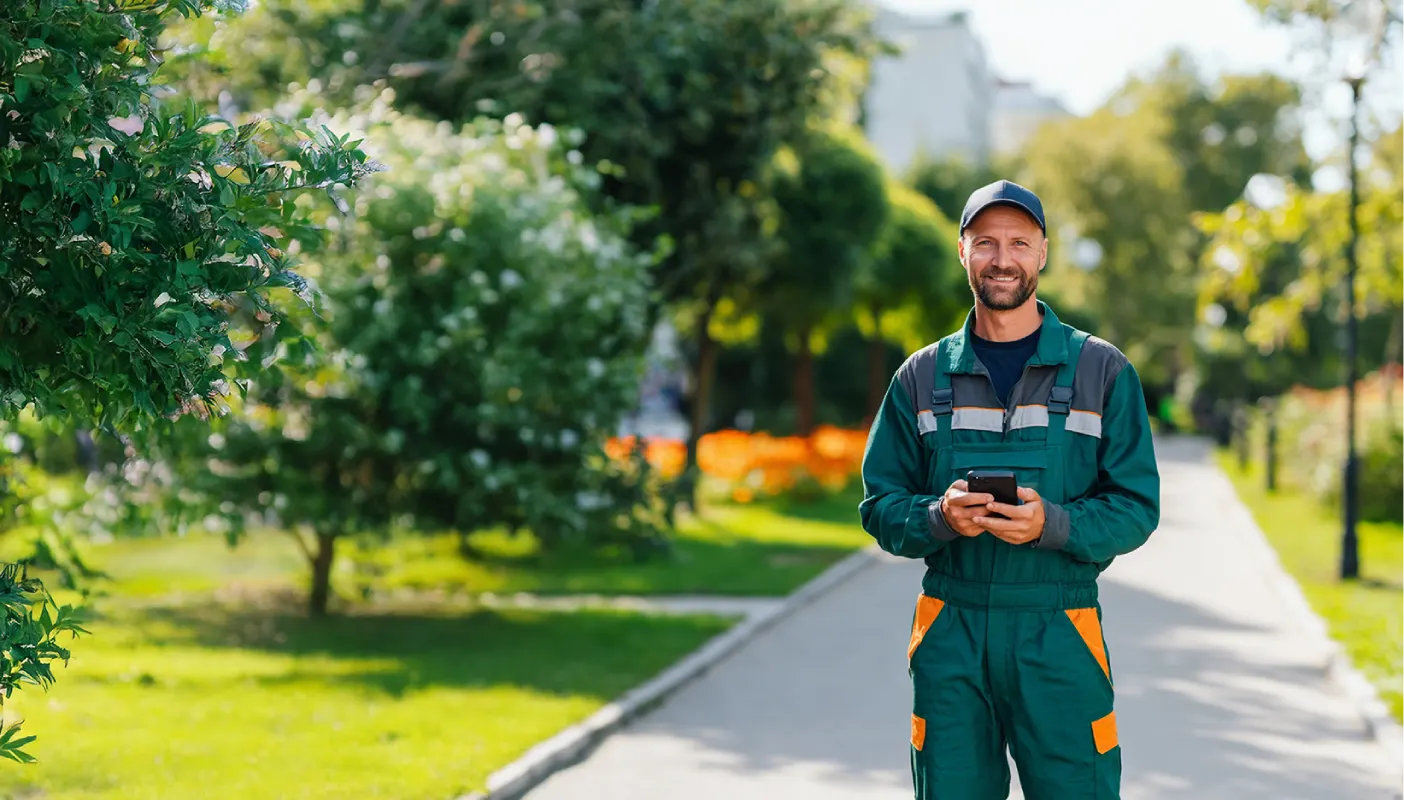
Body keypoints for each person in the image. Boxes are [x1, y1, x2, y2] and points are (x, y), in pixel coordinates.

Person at [858, 179, 1160, 800]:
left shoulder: (1101, 371)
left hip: (1059, 626)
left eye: (1019, 242)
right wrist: (939, 516)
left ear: (1043, 253)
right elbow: (879, 506)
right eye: (986, 242)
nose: (1003, 258)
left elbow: (1135, 506)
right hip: (952, 626)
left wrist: (1054, 524)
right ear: (962, 252)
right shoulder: (919, 377)